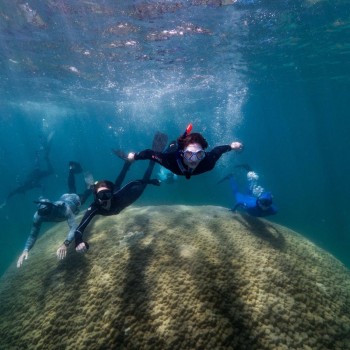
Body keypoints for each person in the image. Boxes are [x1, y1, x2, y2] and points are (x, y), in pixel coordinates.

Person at [74, 132, 168, 254]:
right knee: (117, 184)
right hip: (118, 199)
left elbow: (134, 182)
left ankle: (150, 161)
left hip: (124, 199)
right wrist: (78, 241)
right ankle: (127, 162)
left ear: (110, 193)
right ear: (96, 197)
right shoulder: (95, 207)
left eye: (107, 195)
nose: (105, 199)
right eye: (101, 196)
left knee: (130, 186)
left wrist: (150, 181)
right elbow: (79, 229)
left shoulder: (115, 195)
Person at [16, 161, 94, 268]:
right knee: (72, 189)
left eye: (46, 211)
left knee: (83, 193)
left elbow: (74, 227)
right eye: (42, 212)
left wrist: (65, 244)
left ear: (52, 206)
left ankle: (89, 185)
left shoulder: (63, 209)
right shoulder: (38, 216)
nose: (45, 214)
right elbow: (33, 235)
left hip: (73, 201)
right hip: (65, 197)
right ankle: (71, 169)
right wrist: (26, 249)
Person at [117, 124, 243, 180]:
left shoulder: (208, 162)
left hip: (178, 164)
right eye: (189, 154)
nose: (193, 159)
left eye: (199, 154)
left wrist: (231, 146)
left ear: (204, 154)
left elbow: (218, 150)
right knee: (171, 147)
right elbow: (150, 153)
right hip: (174, 151)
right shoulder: (170, 160)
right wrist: (135, 156)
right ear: (183, 153)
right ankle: (176, 143)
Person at [1, 133, 54, 209]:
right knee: (42, 168)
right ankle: (41, 155)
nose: (23, 191)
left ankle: (39, 154)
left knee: (40, 168)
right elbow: (11, 193)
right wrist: (5, 201)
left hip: (37, 174)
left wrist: (42, 192)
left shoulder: (26, 186)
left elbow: (38, 185)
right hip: (36, 174)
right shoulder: (25, 187)